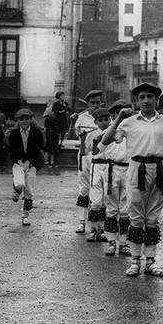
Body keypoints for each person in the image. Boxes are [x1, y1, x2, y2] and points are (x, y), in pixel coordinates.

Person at [101, 83, 163, 277]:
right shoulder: (129, 121)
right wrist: (120, 117)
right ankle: (135, 261)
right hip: (137, 168)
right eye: (142, 97)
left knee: (153, 216)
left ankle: (151, 261)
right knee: (136, 215)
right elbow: (106, 140)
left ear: (156, 99)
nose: (146, 101)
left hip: (159, 168)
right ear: (137, 101)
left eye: (150, 97)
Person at [97, 100, 132, 256]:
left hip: (129, 169)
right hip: (112, 170)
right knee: (111, 206)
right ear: (113, 116)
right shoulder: (109, 132)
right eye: (118, 114)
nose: (121, 117)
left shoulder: (133, 130)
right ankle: (111, 242)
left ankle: (124, 243)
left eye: (124, 114)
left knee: (126, 208)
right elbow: (99, 147)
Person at [72, 89, 103, 234]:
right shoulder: (81, 118)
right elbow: (77, 134)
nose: (95, 105)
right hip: (85, 156)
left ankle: (97, 226)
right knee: (84, 189)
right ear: (88, 104)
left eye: (97, 102)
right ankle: (81, 222)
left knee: (99, 190)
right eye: (92, 103)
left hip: (101, 158)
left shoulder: (105, 117)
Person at [7, 108, 45, 226]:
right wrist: (6, 138)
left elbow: (40, 145)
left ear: (31, 120)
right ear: (18, 121)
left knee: (29, 190)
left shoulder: (36, 131)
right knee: (19, 183)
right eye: (22, 120)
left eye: (27, 119)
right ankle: (16, 190)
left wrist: (32, 161)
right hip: (18, 162)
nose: (24, 122)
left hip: (31, 162)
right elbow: (10, 148)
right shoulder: (13, 133)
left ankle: (25, 215)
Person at [85, 108, 112, 242]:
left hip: (109, 165)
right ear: (95, 122)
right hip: (96, 165)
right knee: (95, 199)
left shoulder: (113, 132)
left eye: (106, 120)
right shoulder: (93, 134)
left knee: (105, 200)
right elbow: (88, 149)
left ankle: (102, 230)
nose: (103, 123)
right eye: (100, 120)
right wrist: (96, 141)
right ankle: (92, 229)